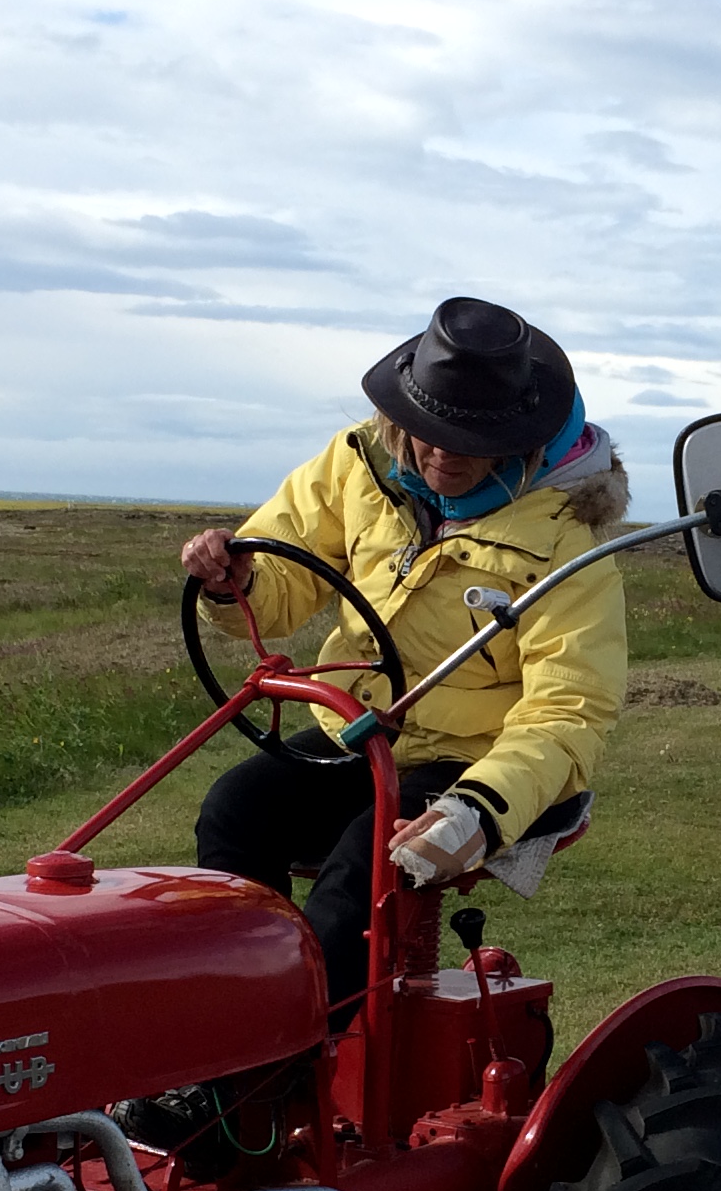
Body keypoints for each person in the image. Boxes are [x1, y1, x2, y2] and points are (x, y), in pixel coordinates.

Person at [181, 297, 630, 1010]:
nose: (440, 454)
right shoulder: (360, 463)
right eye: (426, 431)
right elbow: (287, 569)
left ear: (519, 438)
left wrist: (478, 808)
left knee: (368, 863)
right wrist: (239, 582)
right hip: (360, 734)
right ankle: (236, 1008)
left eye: (465, 439)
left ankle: (281, 1049)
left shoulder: (570, 544)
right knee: (235, 809)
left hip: (477, 761)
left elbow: (569, 710)